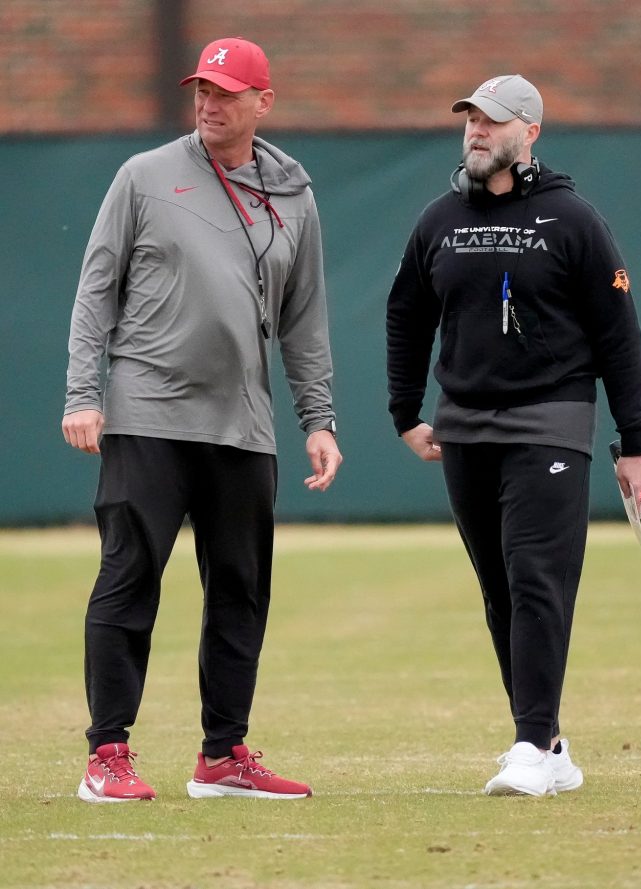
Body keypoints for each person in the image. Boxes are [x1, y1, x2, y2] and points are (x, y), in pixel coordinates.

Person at [62, 36, 342, 803]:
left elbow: (304, 319)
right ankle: (107, 754)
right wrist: (83, 393)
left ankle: (223, 755)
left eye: (224, 92)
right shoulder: (143, 177)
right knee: (128, 578)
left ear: (263, 102)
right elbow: (97, 292)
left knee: (242, 589)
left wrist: (318, 418)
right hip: (147, 412)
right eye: (201, 90)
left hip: (243, 426)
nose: (208, 103)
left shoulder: (295, 194)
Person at [386, 75, 641, 796]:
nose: (475, 129)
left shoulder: (572, 219)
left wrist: (636, 442)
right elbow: (406, 314)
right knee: (502, 591)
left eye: (492, 120)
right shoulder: (439, 219)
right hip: (465, 428)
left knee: (537, 580)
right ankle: (553, 744)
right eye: (470, 118)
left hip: (552, 424)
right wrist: (406, 413)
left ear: (529, 131)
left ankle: (529, 744)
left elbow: (617, 332)